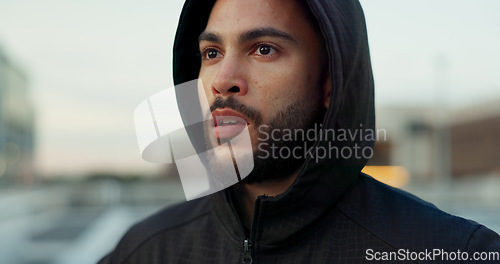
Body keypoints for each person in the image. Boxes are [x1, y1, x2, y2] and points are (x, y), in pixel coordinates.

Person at [99, 0, 500, 263]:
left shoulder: (450, 252)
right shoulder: (146, 249)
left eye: (264, 49)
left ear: (330, 82)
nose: (223, 80)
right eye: (212, 53)